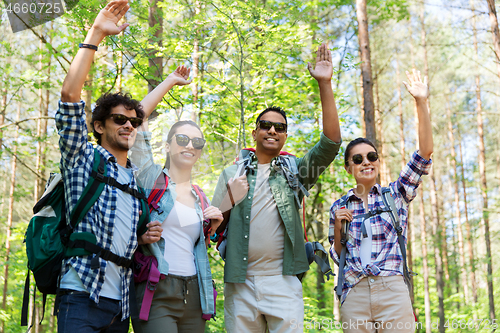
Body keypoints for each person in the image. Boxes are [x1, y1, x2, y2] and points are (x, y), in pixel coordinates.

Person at [211, 43, 342, 333]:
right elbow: (211, 227)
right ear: (255, 132)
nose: (273, 130)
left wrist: (325, 84)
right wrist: (229, 198)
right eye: (266, 125)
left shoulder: (295, 170)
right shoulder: (231, 173)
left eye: (280, 127)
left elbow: (331, 144)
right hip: (239, 281)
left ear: (285, 136)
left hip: (283, 281)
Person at [56, 1, 159, 331]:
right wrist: (96, 34)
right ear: (99, 126)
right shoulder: (83, 158)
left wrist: (143, 236)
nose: (128, 126)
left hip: (121, 307)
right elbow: (70, 97)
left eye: (133, 122)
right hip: (80, 294)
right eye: (119, 120)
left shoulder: (133, 178)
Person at [328, 69, 433, 333]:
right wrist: (339, 228)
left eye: (371, 156)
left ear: (378, 162)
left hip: (392, 289)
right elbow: (338, 257)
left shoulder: (396, 195)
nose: (366, 162)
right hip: (354, 292)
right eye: (357, 159)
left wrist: (420, 101)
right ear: (348, 167)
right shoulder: (339, 207)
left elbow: (424, 153)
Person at [129, 66, 223, 333]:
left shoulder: (199, 197)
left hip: (196, 292)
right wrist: (170, 81)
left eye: (197, 142)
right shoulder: (152, 179)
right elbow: (137, 117)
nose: (190, 145)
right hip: (156, 289)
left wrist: (211, 228)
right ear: (168, 146)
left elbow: (194, 245)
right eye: (182, 139)